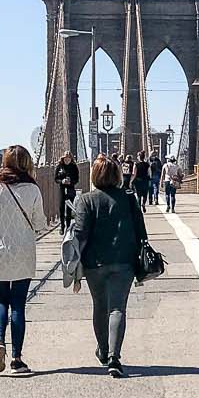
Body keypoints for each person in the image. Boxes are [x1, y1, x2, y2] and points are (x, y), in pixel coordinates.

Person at [0, 144, 49, 376]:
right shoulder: (32, 190)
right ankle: (16, 359)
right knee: (18, 305)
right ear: (27, 164)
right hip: (24, 253)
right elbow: (40, 224)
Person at [71, 155, 146, 377]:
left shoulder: (85, 200)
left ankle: (103, 351)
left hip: (94, 263)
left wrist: (75, 263)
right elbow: (141, 231)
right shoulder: (129, 198)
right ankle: (114, 357)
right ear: (117, 175)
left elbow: (81, 235)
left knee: (99, 306)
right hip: (124, 261)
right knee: (117, 308)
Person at [53, 151, 80, 233]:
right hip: (62, 189)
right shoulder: (59, 166)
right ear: (63, 158)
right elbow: (56, 179)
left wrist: (71, 182)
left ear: (71, 159)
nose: (67, 160)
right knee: (61, 207)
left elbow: (77, 179)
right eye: (65, 158)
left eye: (68, 159)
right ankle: (62, 226)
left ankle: (68, 226)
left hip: (70, 189)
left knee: (69, 209)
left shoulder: (74, 167)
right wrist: (62, 181)